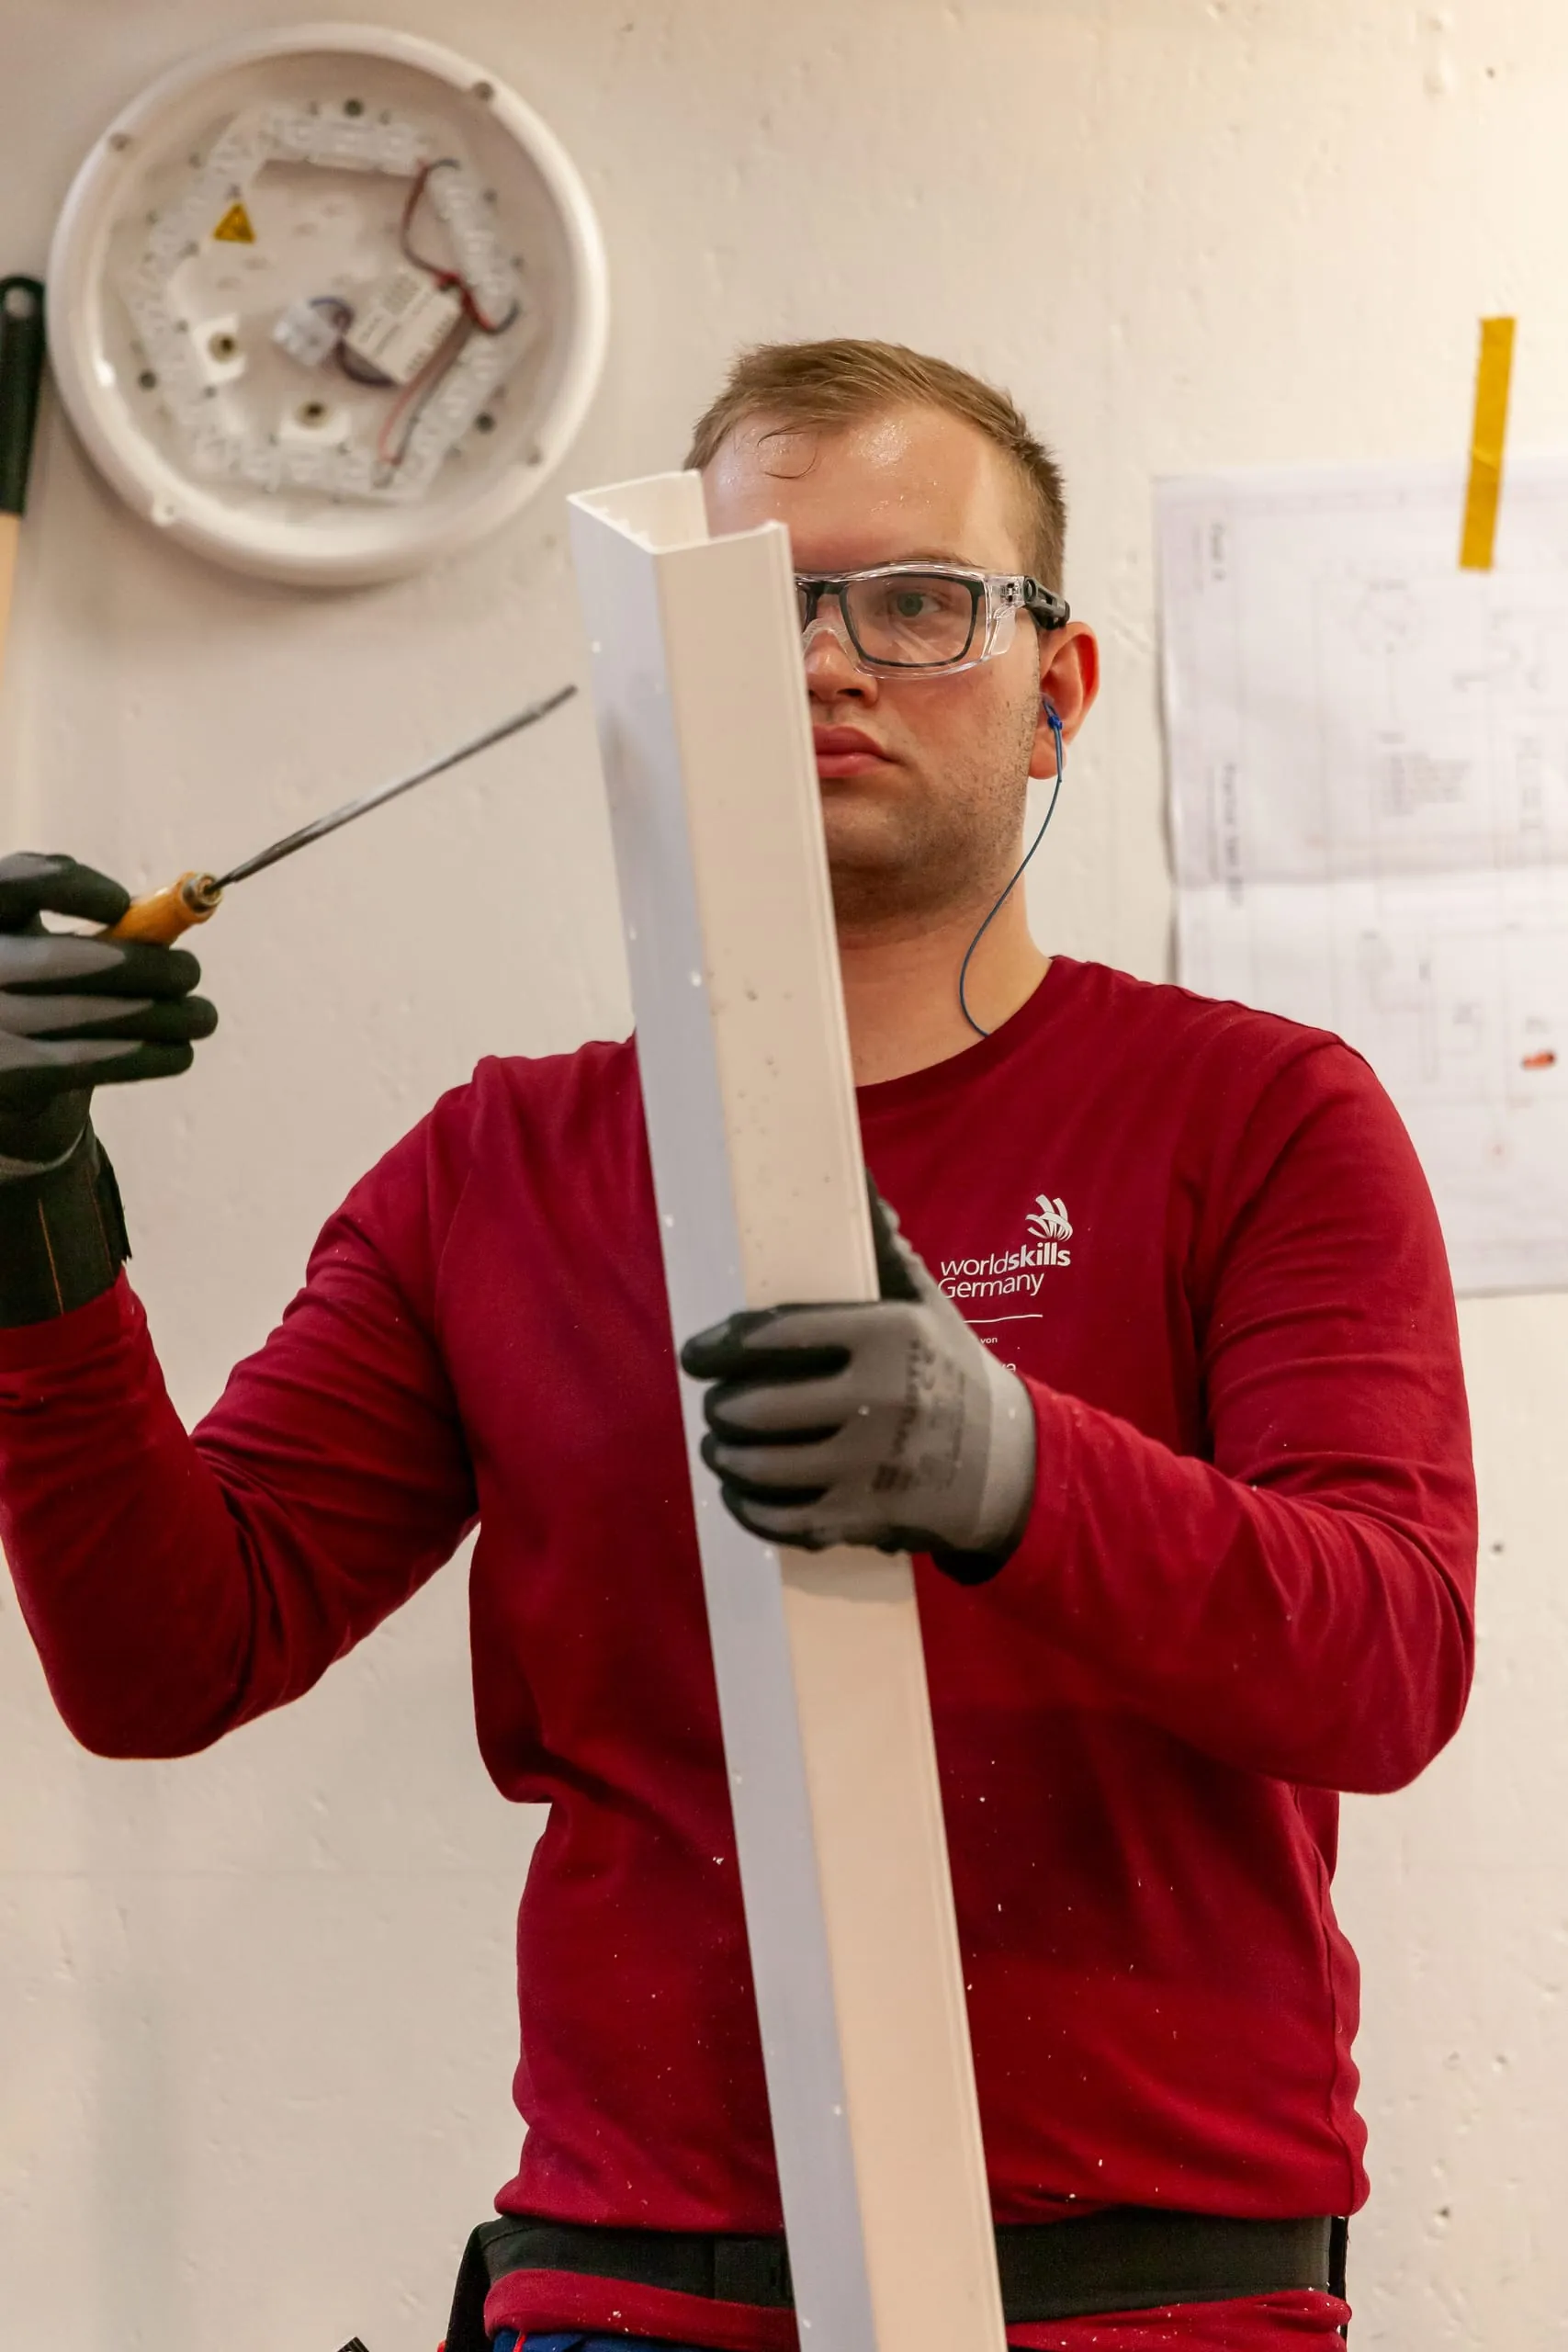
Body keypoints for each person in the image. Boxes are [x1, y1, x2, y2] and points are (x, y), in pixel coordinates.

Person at [0, 340, 1476, 2352]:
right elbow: (170, 1657)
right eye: (751, 610)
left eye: (920, 601)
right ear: (650, 678)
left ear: (1057, 687)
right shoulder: (501, 1165)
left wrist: (1014, 1470)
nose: (829, 663)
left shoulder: (1260, 1118)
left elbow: (1386, 1662)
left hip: (1148, 2295)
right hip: (633, 2293)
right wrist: (28, 1201)